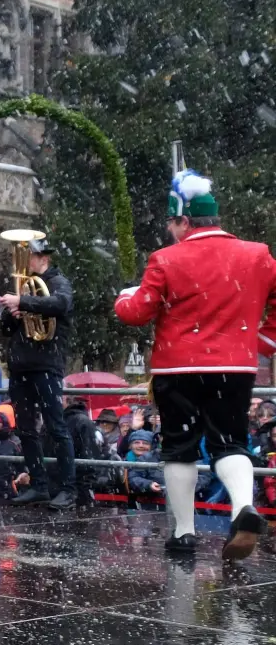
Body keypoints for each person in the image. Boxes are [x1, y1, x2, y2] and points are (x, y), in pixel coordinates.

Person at [114, 170, 276, 559]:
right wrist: (261, 340)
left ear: (184, 220)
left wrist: (124, 299)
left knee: (179, 449)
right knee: (231, 442)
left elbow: (138, 313)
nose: (171, 231)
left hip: (178, 368)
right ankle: (242, 508)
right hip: (235, 367)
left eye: (173, 223)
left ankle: (183, 533)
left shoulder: (165, 259)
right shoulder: (258, 254)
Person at [0, 237, 78, 509]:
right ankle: (38, 485)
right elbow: (7, 329)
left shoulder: (57, 282)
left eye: (29, 256)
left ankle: (68, 488)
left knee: (57, 428)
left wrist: (23, 300)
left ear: (43, 258)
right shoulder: (24, 287)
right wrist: (12, 313)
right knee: (25, 429)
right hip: (21, 366)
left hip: (46, 365)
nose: (24, 262)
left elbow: (61, 304)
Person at [125, 430, 165, 496]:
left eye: (145, 443)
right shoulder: (123, 460)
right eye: (136, 442)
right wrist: (149, 484)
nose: (141, 446)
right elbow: (133, 478)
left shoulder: (156, 456)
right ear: (130, 445)